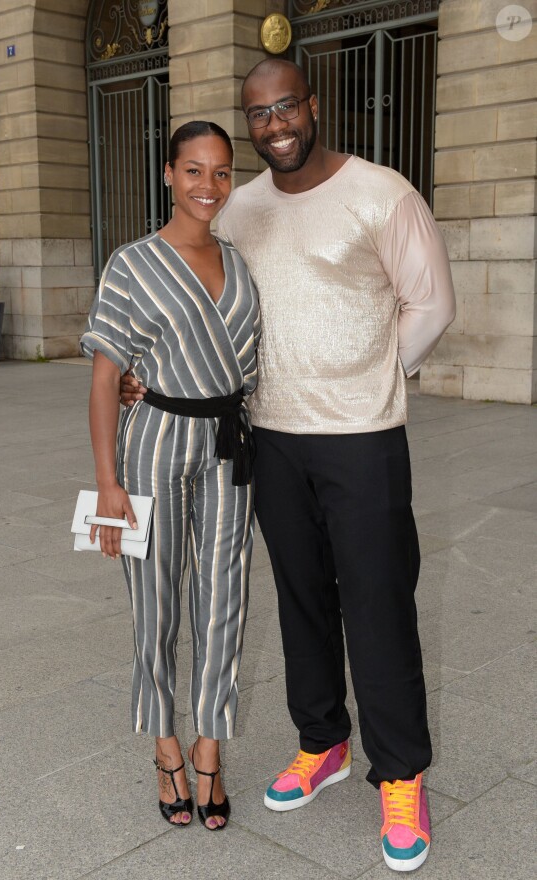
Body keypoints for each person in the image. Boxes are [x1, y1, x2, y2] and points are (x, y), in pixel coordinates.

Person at [120, 60, 455, 871]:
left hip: (364, 438)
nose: (275, 124)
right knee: (301, 598)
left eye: (286, 108)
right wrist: (147, 371)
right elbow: (202, 301)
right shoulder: (241, 207)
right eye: (258, 114)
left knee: (376, 605)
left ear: (313, 105)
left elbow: (432, 302)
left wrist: (372, 377)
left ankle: (400, 774)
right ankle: (322, 743)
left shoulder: (383, 192)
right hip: (266, 436)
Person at [81, 121, 260, 831]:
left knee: (225, 602)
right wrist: (107, 485)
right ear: (167, 174)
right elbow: (102, 382)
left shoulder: (242, 264)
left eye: (221, 172)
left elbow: (250, 367)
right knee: (153, 607)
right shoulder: (130, 263)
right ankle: (164, 747)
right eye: (193, 171)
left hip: (229, 445)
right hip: (150, 442)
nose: (208, 187)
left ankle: (209, 749)